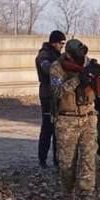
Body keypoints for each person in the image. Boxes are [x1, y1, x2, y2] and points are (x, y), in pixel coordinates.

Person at [49, 38, 100, 200]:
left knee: (88, 158)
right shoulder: (57, 67)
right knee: (67, 162)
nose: (81, 59)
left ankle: (87, 195)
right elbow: (57, 91)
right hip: (67, 119)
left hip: (88, 116)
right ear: (68, 55)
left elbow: (98, 90)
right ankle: (68, 196)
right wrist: (79, 79)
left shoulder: (88, 63)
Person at [35, 30, 66, 168]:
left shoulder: (57, 55)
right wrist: (61, 65)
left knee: (57, 129)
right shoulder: (44, 54)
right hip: (48, 95)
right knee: (48, 127)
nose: (62, 46)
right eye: (61, 43)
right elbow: (47, 69)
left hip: (57, 94)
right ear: (54, 42)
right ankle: (42, 159)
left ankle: (56, 160)